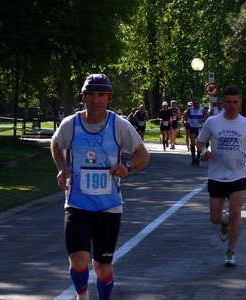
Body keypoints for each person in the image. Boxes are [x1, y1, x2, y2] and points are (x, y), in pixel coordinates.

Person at [50, 73, 150, 300]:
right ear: (84, 97)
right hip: (77, 204)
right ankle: (82, 295)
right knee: (78, 260)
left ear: (109, 98)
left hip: (109, 208)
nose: (95, 100)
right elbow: (56, 143)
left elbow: (143, 154)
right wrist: (62, 167)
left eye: (100, 95)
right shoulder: (71, 124)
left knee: (102, 267)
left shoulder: (118, 125)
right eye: (91, 95)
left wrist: (127, 166)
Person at [196, 86, 246, 267]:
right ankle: (224, 221)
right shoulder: (212, 122)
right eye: (228, 102)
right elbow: (200, 142)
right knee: (215, 218)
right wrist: (203, 152)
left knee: (236, 212)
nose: (232, 106)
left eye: (236, 102)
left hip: (238, 175)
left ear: (240, 102)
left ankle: (230, 252)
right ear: (222, 103)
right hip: (216, 176)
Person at [184, 97, 209, 166]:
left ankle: (197, 159)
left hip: (200, 128)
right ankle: (193, 159)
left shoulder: (202, 109)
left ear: (199, 103)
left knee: (198, 144)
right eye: (194, 104)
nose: (195, 105)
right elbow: (186, 117)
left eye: (197, 103)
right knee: (192, 143)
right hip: (193, 127)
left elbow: (207, 117)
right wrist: (185, 121)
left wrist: (203, 120)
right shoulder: (190, 109)